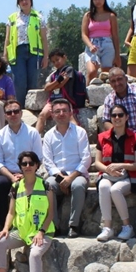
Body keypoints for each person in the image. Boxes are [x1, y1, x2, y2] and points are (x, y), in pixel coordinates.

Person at [0, 150, 56, 272]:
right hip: (21, 231)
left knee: (34, 255)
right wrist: (5, 229)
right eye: (24, 164)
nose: (27, 166)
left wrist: (41, 232)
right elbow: (11, 212)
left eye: (31, 163)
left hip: (42, 232)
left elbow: (51, 214)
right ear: (20, 167)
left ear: (37, 166)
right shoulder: (16, 187)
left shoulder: (47, 185)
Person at [41, 96, 91, 238]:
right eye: (57, 111)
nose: (61, 114)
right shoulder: (49, 135)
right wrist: (61, 177)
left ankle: (73, 225)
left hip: (77, 175)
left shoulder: (80, 132)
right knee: (47, 184)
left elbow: (86, 158)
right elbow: (48, 161)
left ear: (70, 113)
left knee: (78, 185)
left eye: (64, 111)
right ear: (52, 115)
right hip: (58, 175)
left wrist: (70, 178)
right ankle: (54, 225)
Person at [93, 104, 136, 242]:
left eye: (120, 115)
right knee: (103, 186)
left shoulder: (135, 137)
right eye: (114, 115)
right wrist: (108, 169)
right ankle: (107, 227)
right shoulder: (102, 137)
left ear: (126, 117)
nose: (117, 118)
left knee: (115, 190)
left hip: (128, 176)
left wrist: (120, 166)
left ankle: (127, 226)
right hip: (108, 174)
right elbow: (97, 162)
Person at [0, 100, 43, 232]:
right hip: (8, 174)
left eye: (16, 111)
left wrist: (26, 173)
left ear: (21, 113)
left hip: (29, 171)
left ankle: (32, 225)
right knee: (0, 184)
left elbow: (38, 158)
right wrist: (11, 177)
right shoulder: (0, 136)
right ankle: (4, 226)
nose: (13, 114)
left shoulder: (32, 133)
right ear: (5, 115)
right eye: (9, 112)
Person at [5, 0, 49, 106]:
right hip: (18, 51)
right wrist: (5, 55)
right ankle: (19, 106)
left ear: (31, 0)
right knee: (19, 81)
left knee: (32, 80)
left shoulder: (39, 17)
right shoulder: (12, 18)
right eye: (21, 0)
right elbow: (8, 38)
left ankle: (31, 106)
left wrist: (46, 56)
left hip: (34, 53)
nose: (24, 2)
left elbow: (44, 38)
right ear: (18, 3)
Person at [37, 48, 88, 135]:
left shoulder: (69, 69)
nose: (56, 63)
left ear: (64, 57)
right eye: (53, 62)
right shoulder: (54, 74)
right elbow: (47, 88)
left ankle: (79, 137)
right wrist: (57, 81)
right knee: (42, 115)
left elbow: (62, 84)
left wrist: (55, 84)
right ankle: (35, 137)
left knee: (70, 117)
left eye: (57, 59)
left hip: (66, 100)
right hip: (53, 101)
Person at [80, 0, 120, 82]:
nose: (98, 1)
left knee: (107, 75)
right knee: (92, 71)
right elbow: (84, 34)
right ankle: (87, 95)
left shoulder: (111, 16)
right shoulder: (88, 16)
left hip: (107, 45)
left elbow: (115, 36)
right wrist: (90, 46)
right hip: (93, 45)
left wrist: (117, 55)